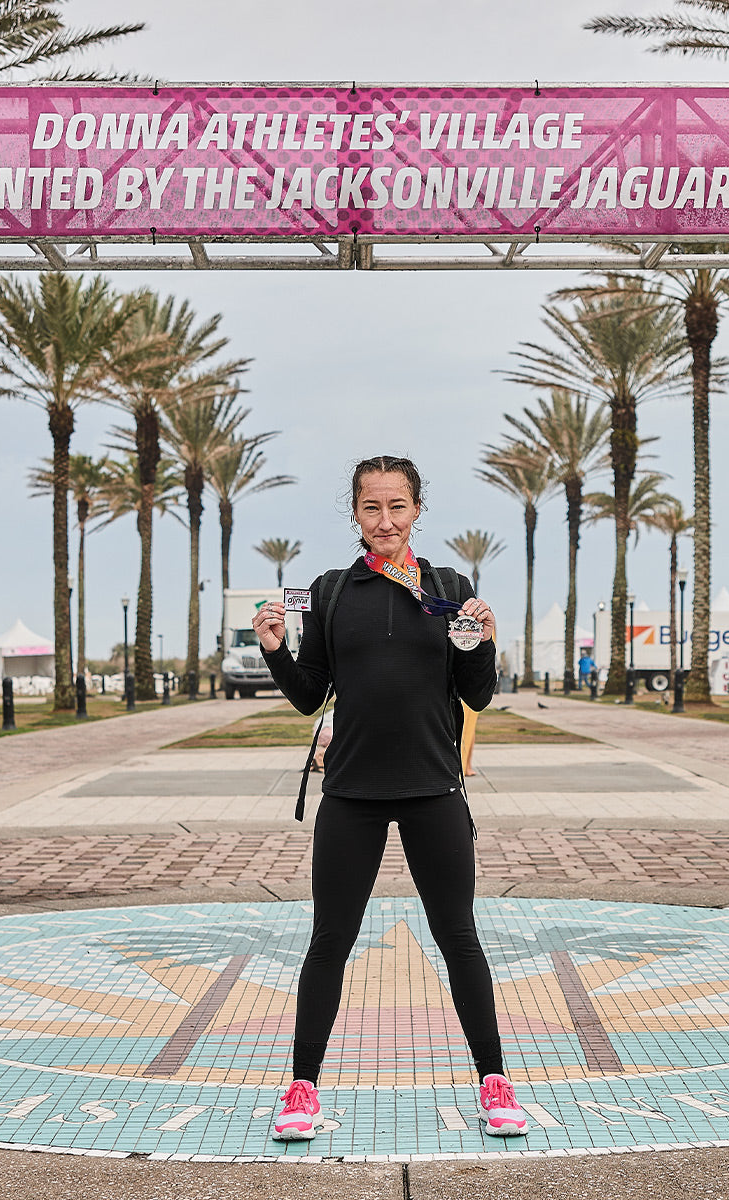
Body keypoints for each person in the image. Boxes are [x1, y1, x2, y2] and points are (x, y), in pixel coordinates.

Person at [253, 455, 528, 1143]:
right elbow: (310, 696)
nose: (385, 521)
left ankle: (495, 1083)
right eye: (372, 508)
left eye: (397, 507)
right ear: (355, 513)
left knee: (459, 938)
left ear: (416, 510)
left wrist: (483, 641)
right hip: (351, 793)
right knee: (329, 942)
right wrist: (276, 651)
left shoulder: (448, 587)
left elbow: (476, 695)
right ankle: (302, 1088)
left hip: (434, 788)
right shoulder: (331, 591)